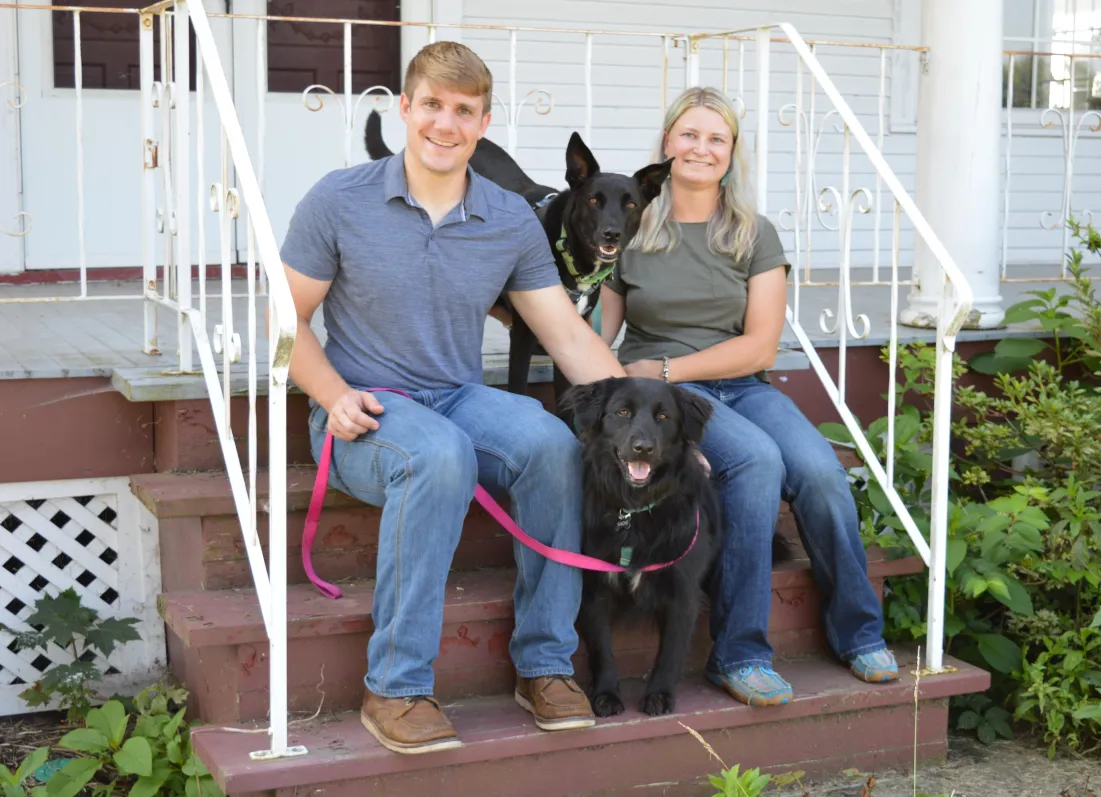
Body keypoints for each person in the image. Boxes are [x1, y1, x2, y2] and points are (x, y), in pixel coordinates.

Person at [280, 41, 627, 755]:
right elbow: (283, 326)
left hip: (456, 394)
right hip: (363, 409)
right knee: (438, 456)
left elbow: (565, 332)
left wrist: (640, 420)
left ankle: (545, 665)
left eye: (463, 110)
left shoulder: (507, 218)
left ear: (484, 122)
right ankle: (397, 684)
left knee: (552, 445)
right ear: (405, 109)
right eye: (432, 105)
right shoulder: (338, 199)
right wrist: (331, 392)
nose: (446, 123)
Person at [599, 86, 900, 707]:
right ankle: (739, 653)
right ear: (666, 142)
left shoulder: (752, 234)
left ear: (732, 154)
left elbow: (761, 347)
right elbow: (598, 337)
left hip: (739, 385)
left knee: (819, 472)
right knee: (757, 462)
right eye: (689, 134)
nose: (701, 148)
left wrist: (666, 363)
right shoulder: (630, 227)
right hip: (667, 403)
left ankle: (860, 632)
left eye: (717, 138)